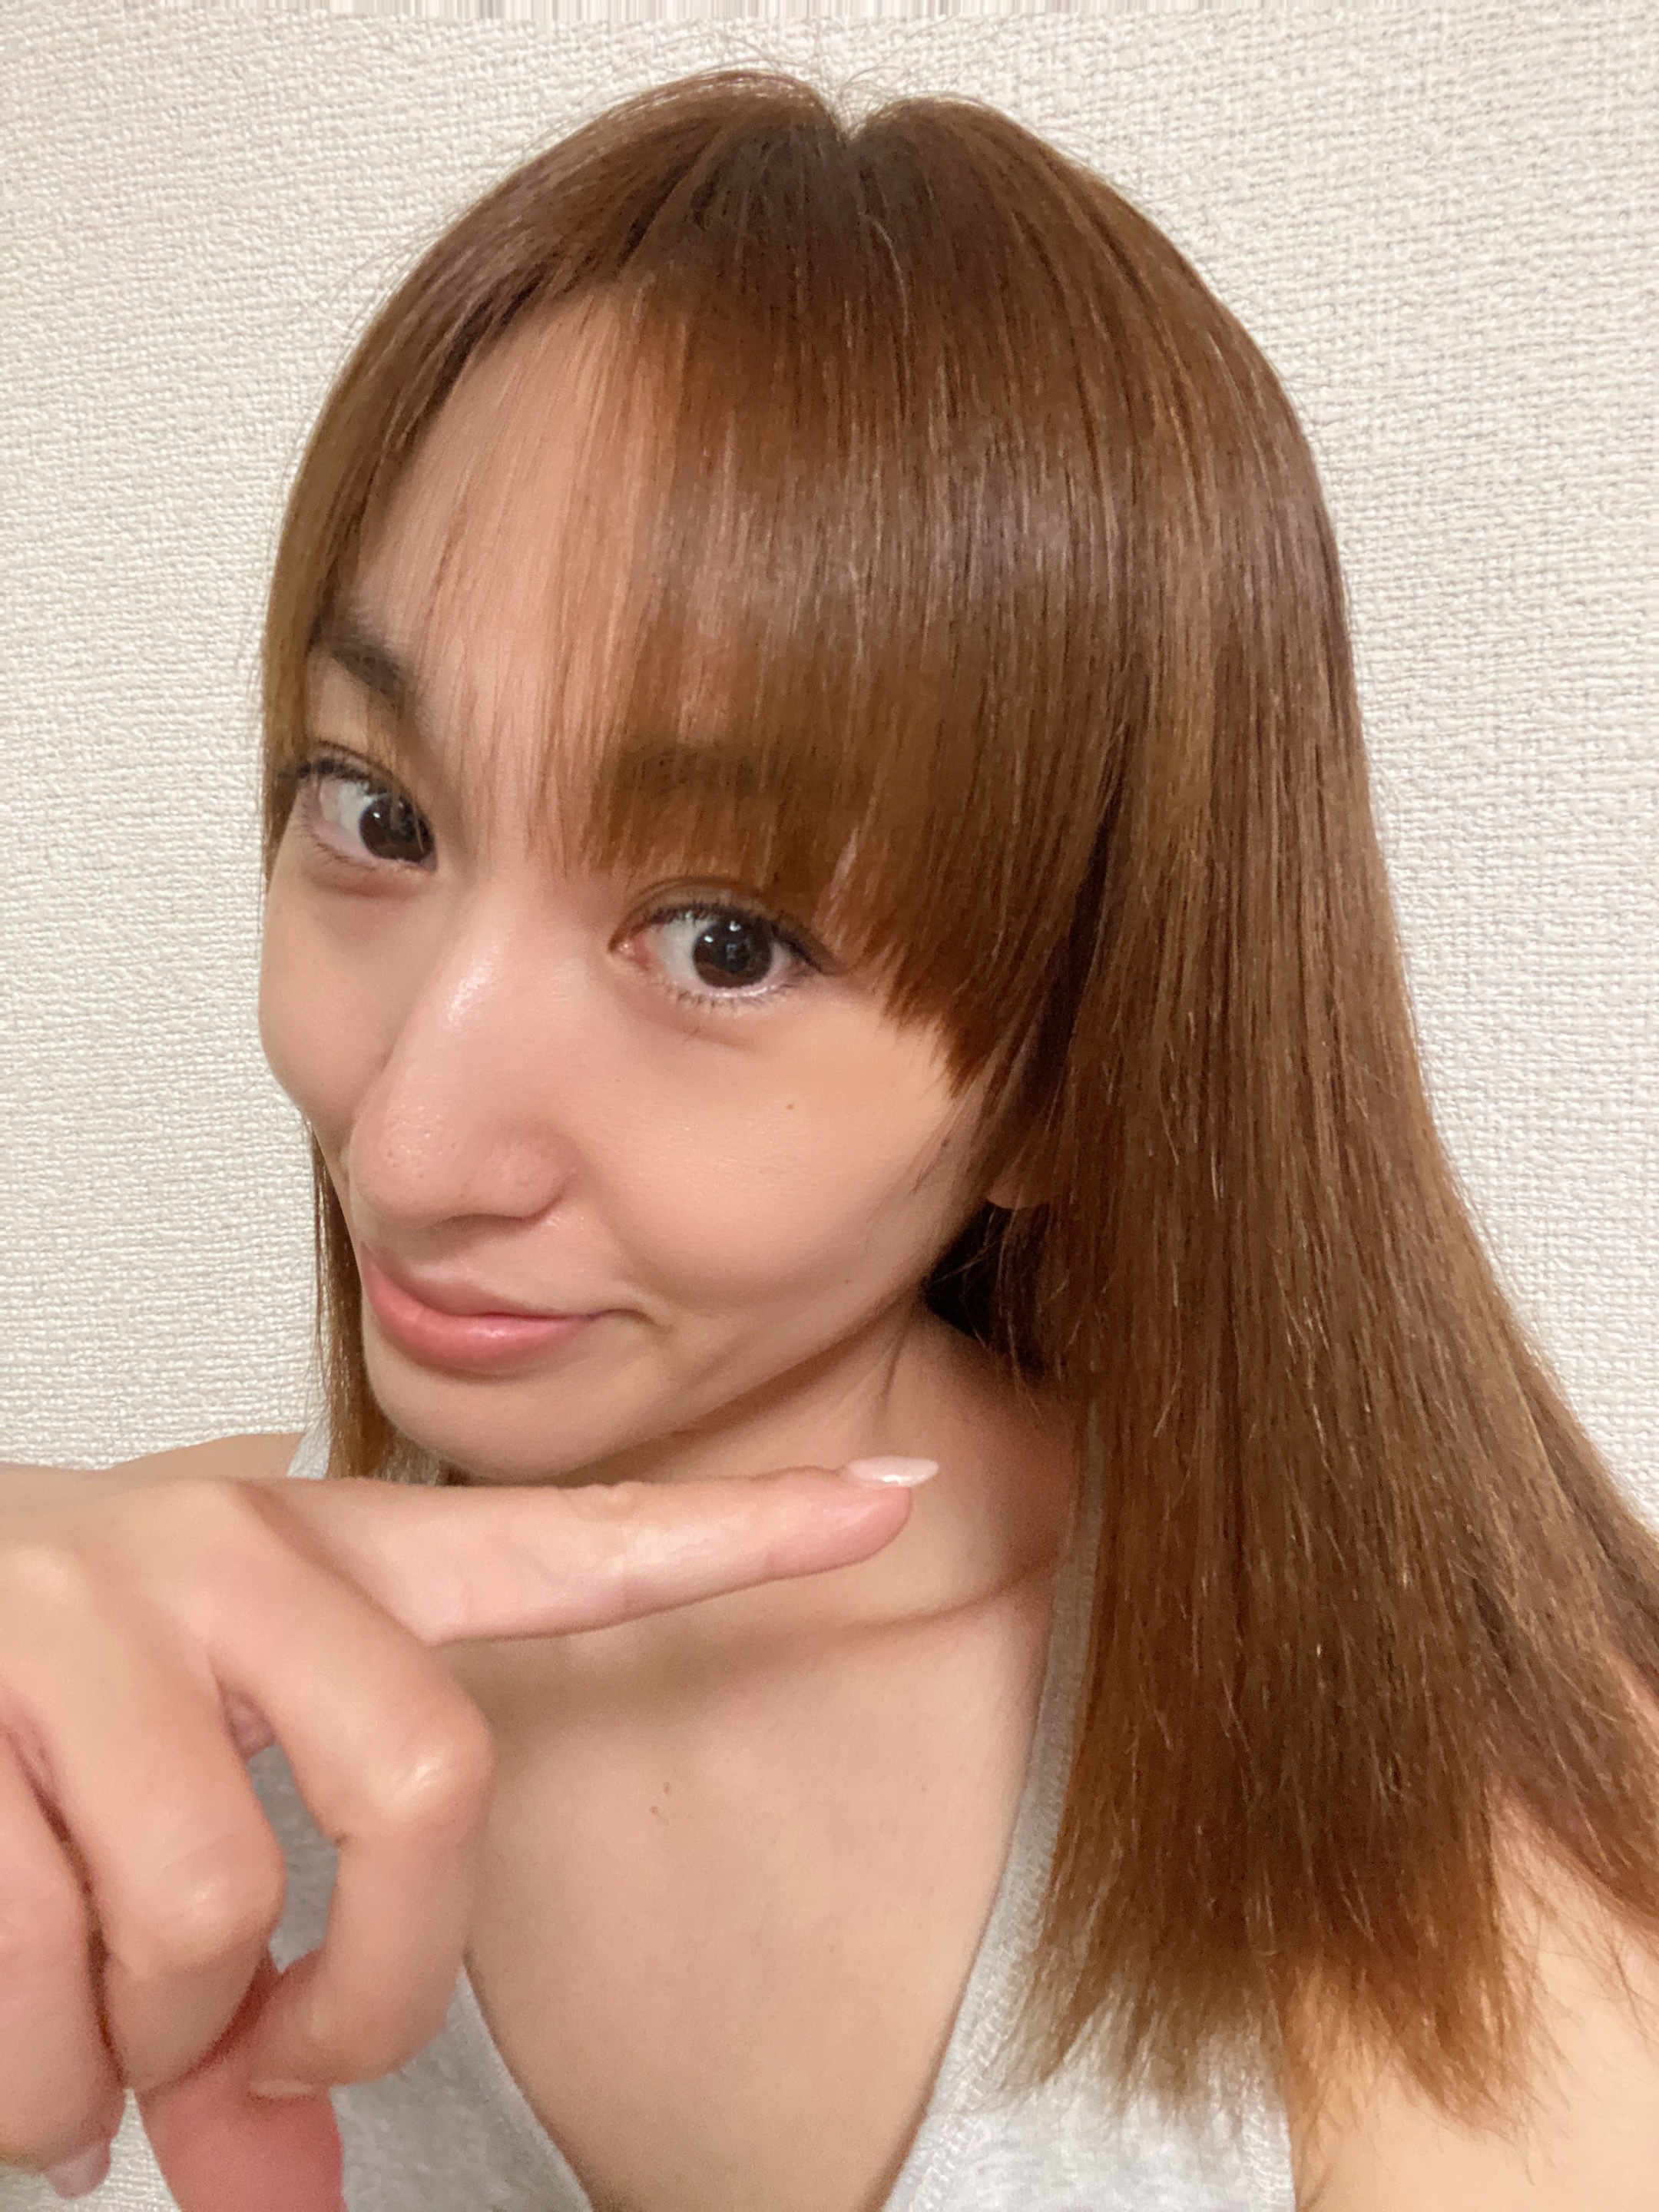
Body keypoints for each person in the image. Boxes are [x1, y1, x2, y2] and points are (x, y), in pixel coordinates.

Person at [2, 62, 1657, 2212]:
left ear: (1069, 1072)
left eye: (725, 941)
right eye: (378, 814)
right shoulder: (144, 1669)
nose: (406, 1143)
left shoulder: (1469, 1871)